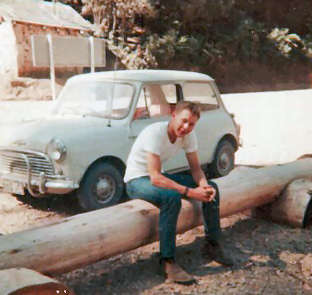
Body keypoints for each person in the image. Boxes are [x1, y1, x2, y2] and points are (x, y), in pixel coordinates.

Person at [124, 101, 233, 284]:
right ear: (173, 115)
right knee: (171, 198)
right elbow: (155, 178)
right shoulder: (155, 133)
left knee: (212, 188)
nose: (186, 127)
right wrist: (191, 192)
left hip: (157, 176)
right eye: (183, 121)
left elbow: (196, 169)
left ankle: (212, 245)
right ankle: (167, 261)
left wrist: (204, 186)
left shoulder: (189, 136)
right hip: (137, 180)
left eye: (191, 124)